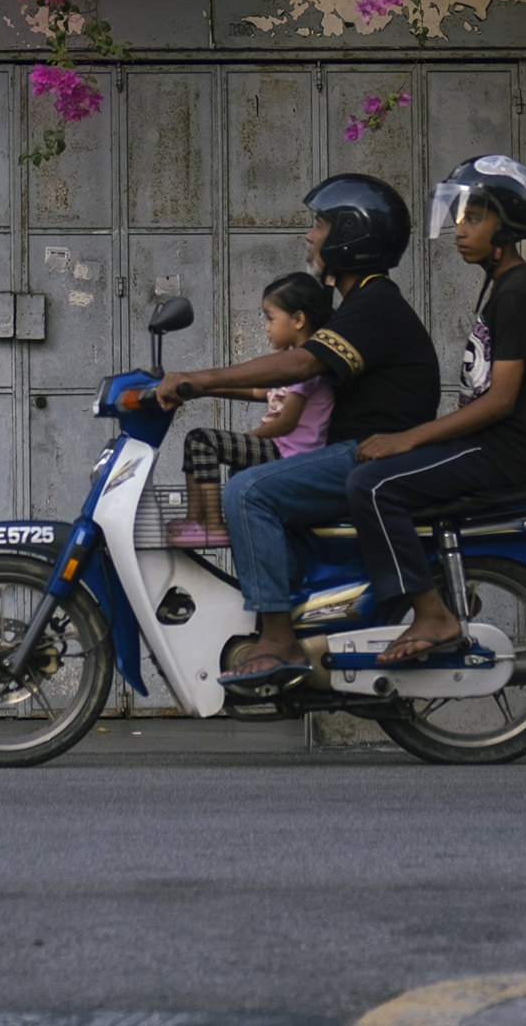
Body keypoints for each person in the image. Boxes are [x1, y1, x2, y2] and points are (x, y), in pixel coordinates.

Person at [143, 172, 440, 687]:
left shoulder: (375, 307)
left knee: (249, 491)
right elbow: (275, 385)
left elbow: (299, 367)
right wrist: (198, 386)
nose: (309, 235)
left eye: (320, 224)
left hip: (370, 454)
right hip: (356, 450)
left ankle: (277, 637)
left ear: (352, 235)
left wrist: (199, 378)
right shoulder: (363, 306)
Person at [343, 152, 526, 666]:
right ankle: (432, 590)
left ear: (507, 227)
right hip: (494, 445)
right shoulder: (505, 287)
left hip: (504, 452)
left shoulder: (517, 296)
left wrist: (411, 438)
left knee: (370, 486)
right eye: (460, 216)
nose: (461, 230)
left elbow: (502, 399)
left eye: (476, 218)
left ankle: (431, 613)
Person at [174, 271, 334, 541]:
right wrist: (201, 389)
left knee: (202, 441)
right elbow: (257, 390)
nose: (266, 327)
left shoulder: (305, 365)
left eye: (270, 318)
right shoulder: (288, 360)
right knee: (200, 443)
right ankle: (195, 519)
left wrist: (247, 437)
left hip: (290, 456)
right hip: (279, 448)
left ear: (298, 320)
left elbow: (287, 422)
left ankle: (212, 525)